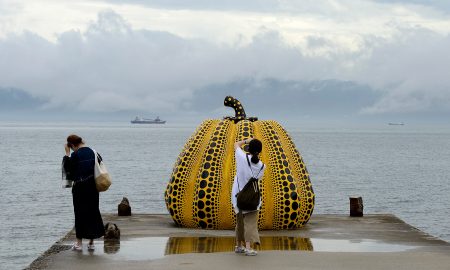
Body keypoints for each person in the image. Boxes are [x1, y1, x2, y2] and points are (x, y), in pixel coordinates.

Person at [63, 134, 105, 251]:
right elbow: (100, 163)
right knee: (93, 212)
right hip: (93, 186)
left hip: (80, 188)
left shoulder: (75, 154)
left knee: (80, 214)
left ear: (72, 145)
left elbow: (68, 171)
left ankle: (79, 243)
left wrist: (67, 154)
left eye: (70, 147)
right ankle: (91, 243)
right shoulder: (93, 152)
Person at [231, 138, 265, 256]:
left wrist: (246, 140)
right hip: (252, 198)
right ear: (259, 151)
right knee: (250, 223)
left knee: (240, 222)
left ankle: (239, 246)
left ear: (249, 149)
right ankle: (248, 248)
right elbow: (257, 179)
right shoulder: (262, 166)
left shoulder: (242, 157)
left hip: (238, 196)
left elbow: (236, 144)